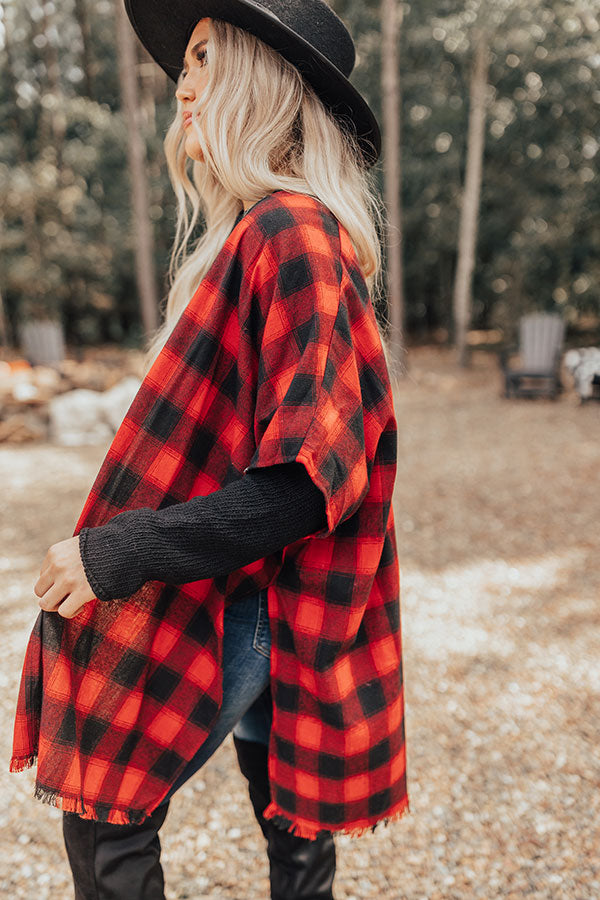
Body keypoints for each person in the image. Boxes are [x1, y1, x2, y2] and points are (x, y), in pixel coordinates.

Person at [10, 2, 410, 898]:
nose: (181, 83)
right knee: (287, 822)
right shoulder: (267, 234)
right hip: (267, 596)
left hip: (246, 601)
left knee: (109, 814)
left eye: (201, 57)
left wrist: (117, 551)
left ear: (265, 79)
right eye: (181, 63)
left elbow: (307, 486)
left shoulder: (293, 235)